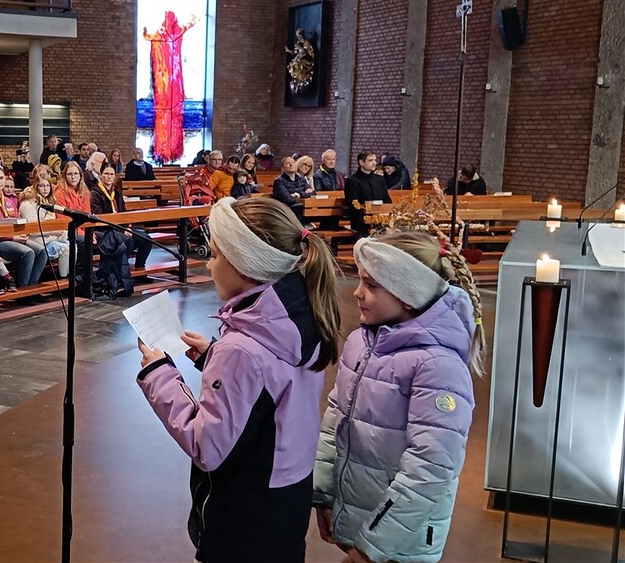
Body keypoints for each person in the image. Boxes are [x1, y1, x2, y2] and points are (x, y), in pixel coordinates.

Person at [136, 196, 342, 562]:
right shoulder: (300, 313)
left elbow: (206, 445)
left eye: (215, 255)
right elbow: (272, 387)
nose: (208, 263)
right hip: (286, 497)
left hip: (244, 515)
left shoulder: (242, 349)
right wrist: (213, 357)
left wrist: (158, 373)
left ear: (244, 264)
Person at [313, 232, 484, 563]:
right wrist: (322, 493)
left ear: (408, 294)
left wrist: (370, 549)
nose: (357, 293)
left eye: (371, 285)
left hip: (401, 543)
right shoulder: (362, 342)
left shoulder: (437, 366)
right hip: (358, 518)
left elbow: (430, 469)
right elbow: (336, 416)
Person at [0, 165, 47, 290]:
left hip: (15, 238)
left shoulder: (9, 201)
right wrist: (13, 237)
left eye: (1, 178)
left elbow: (18, 220)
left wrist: (23, 233)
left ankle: (32, 285)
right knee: (28, 252)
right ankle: (23, 288)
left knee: (42, 251)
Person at [91, 164, 152, 270]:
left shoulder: (117, 192)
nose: (109, 177)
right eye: (106, 174)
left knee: (146, 239)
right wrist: (122, 230)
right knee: (128, 241)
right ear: (101, 175)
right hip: (105, 230)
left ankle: (140, 268)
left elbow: (124, 212)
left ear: (115, 176)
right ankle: (119, 270)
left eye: (111, 174)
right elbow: (100, 217)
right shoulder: (95, 193)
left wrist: (127, 227)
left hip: (120, 228)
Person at [19, 177, 70, 278]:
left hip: (49, 237)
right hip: (36, 240)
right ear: (36, 187)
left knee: (73, 245)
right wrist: (51, 232)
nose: (45, 189)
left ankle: (68, 277)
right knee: (65, 249)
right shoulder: (27, 204)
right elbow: (32, 230)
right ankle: (63, 278)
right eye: (42, 186)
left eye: (48, 186)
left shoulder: (50, 201)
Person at [345, 151, 391, 235]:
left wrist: (385, 213)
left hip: (380, 221)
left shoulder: (379, 179)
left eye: (375, 160)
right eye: (370, 160)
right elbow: (352, 204)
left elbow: (387, 200)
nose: (374, 163)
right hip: (361, 223)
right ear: (361, 162)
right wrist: (368, 215)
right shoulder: (352, 181)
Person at [272, 156, 308, 223]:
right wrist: (304, 195)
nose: (291, 164)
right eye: (287, 163)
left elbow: (313, 193)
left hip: (304, 207)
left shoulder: (302, 179)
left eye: (293, 162)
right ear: (283, 168)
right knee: (299, 207)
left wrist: (299, 194)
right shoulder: (279, 181)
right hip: (287, 210)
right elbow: (288, 199)